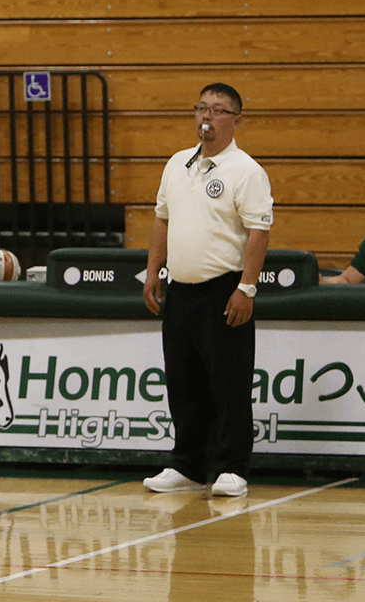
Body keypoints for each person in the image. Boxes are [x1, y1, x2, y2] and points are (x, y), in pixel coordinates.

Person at [141, 82, 273, 500]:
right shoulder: (176, 164)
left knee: (229, 382)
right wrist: (152, 271)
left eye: (218, 109)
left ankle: (232, 467)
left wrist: (246, 288)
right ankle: (188, 465)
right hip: (180, 291)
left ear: (236, 120)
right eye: (202, 107)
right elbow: (162, 219)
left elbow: (259, 231)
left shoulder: (246, 171)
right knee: (183, 382)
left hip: (224, 290)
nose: (207, 115)